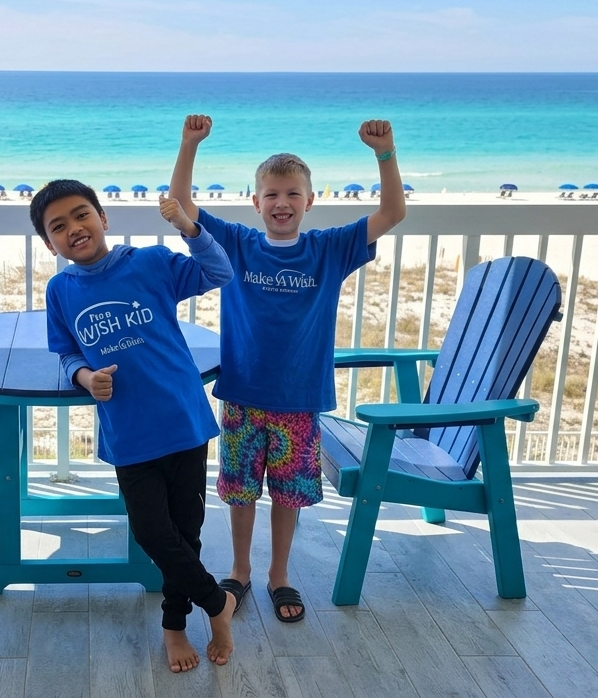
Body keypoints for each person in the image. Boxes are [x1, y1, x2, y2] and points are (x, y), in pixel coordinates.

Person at [165, 115, 406, 624]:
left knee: (287, 495)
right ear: (256, 203)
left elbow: (392, 211)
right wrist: (189, 145)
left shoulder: (329, 248)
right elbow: (183, 207)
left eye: (293, 194)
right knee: (240, 491)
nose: (282, 203)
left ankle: (279, 573)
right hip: (243, 395)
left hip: (299, 401)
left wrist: (383, 153)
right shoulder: (235, 242)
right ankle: (239, 569)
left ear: (310, 201)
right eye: (271, 194)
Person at [31, 179, 237, 673]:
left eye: (81, 215)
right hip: (128, 432)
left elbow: (219, 270)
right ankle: (216, 603)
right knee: (151, 532)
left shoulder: (149, 262)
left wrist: (189, 227)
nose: (73, 229)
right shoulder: (60, 290)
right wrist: (85, 376)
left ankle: (173, 626)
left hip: (183, 421)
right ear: (48, 243)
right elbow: (65, 352)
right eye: (57, 226)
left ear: (103, 218)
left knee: (186, 533)